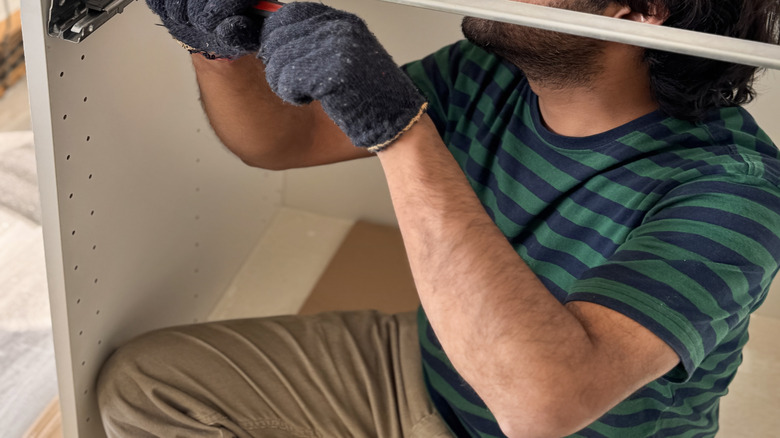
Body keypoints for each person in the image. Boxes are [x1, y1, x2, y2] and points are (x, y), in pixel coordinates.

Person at [97, 0, 780, 437]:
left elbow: (544, 405)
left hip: (536, 409)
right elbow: (285, 141)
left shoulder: (735, 193)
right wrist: (217, 51)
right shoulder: (487, 71)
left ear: (635, 11)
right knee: (146, 389)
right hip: (434, 372)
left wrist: (397, 130)